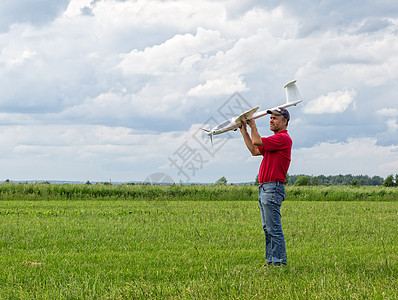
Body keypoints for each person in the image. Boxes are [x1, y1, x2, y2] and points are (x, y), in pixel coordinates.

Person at [240, 107, 292, 266]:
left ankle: (279, 263)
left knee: (274, 228)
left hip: (272, 188)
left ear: (284, 122)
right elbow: (255, 150)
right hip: (265, 188)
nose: (271, 120)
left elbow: (257, 141)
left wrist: (253, 126)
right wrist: (244, 131)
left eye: (275, 118)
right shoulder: (274, 140)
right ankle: (271, 261)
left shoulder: (283, 138)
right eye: (270, 118)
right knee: (268, 228)